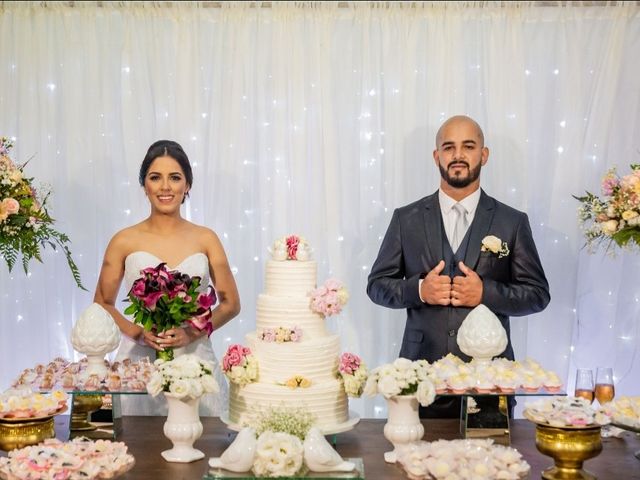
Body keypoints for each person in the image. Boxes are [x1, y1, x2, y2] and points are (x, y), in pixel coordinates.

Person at [366, 115, 550, 417]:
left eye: (468, 146)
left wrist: (485, 293)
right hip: (419, 381)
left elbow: (537, 294)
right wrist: (420, 289)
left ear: (484, 155)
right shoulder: (406, 218)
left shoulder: (512, 222)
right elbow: (376, 286)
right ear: (437, 156)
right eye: (449, 148)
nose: (458, 156)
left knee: (492, 464)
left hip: (490, 382)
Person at [94, 140, 241, 416]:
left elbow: (231, 303)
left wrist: (191, 333)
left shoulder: (206, 238)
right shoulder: (123, 240)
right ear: (144, 186)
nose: (165, 187)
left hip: (195, 362)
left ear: (187, 185)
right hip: (137, 367)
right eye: (155, 177)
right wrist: (137, 333)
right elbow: (102, 303)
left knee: (201, 442)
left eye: (174, 178)